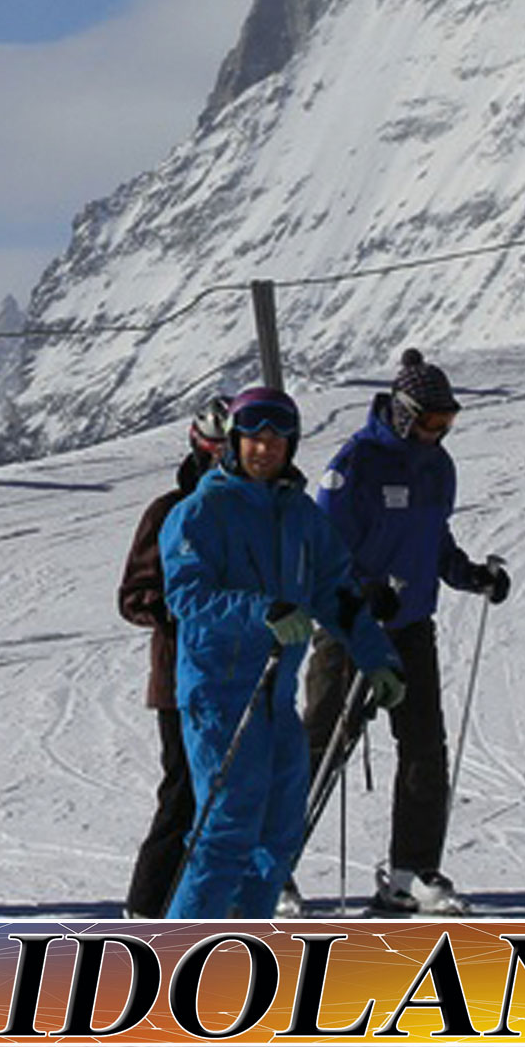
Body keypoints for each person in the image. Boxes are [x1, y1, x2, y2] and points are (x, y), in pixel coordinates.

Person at [158, 384, 403, 921]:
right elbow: (187, 595)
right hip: (220, 693)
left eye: (277, 440)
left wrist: (376, 656)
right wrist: (261, 609)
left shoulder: (300, 516)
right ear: (234, 441)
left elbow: (335, 590)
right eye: (254, 438)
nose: (265, 450)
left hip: (275, 696)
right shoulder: (202, 511)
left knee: (279, 837)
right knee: (226, 832)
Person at [302, 348, 510, 915]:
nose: (436, 434)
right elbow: (324, 551)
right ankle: (270, 867)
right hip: (351, 629)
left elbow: (432, 537)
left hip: (412, 625)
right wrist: (362, 592)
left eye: (447, 424)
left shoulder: (437, 466)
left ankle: (411, 870)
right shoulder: (357, 464)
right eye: (429, 422)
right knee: (321, 746)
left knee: (424, 747)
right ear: (401, 413)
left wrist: (469, 574)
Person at [115, 395, 228, 920]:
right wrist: (179, 613)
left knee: (233, 793)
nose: (224, 462)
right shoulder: (170, 512)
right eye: (215, 450)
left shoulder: (252, 513)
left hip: (236, 674)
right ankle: (147, 907)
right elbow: (135, 594)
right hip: (180, 678)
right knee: (183, 793)